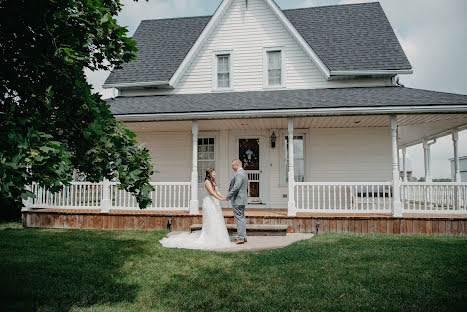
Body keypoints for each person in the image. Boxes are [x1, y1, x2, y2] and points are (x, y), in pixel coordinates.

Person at [159, 168, 236, 250]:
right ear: (209, 173)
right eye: (213, 172)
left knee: (216, 219)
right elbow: (212, 193)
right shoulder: (207, 182)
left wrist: (224, 197)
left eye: (215, 172)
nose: (215, 173)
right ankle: (210, 237)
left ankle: (218, 237)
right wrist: (221, 199)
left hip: (215, 202)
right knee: (211, 219)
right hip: (209, 202)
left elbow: (217, 192)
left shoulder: (213, 182)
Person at [223, 159, 248, 244]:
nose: (232, 168)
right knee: (242, 218)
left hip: (238, 199)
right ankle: (244, 237)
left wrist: (228, 196)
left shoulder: (239, 174)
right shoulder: (243, 173)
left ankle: (240, 238)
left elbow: (236, 187)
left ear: (237, 165)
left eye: (233, 166)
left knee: (239, 219)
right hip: (242, 199)